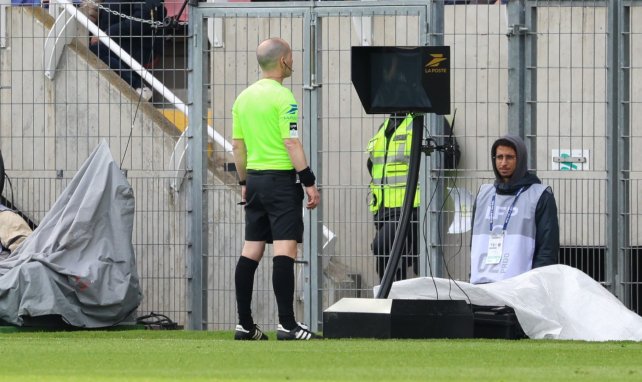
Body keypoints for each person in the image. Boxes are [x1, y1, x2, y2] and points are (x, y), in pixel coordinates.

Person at [231, 37, 321, 341]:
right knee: (285, 249)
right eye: (292, 56)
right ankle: (287, 324)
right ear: (283, 61)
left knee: (251, 249)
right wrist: (308, 181)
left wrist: (244, 182)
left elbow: (237, 146)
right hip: (281, 181)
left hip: (254, 180)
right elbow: (291, 142)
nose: (293, 62)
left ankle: (245, 325)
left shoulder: (242, 99)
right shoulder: (285, 99)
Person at [470, 135, 559, 284]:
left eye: (510, 157)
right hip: (482, 285)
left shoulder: (540, 195)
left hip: (519, 289)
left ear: (521, 160)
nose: (503, 163)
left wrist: (537, 285)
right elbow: (474, 243)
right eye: (499, 157)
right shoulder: (483, 194)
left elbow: (547, 249)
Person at [367, 113, 420, 282]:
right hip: (383, 210)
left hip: (410, 207)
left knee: (382, 247)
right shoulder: (384, 127)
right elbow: (374, 165)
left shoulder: (425, 121)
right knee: (388, 259)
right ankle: (393, 302)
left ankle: (391, 300)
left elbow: (450, 157)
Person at [89, 0, 165, 100]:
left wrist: (106, 34)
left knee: (95, 50)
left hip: (141, 46)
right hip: (116, 42)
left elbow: (141, 21)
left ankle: (138, 86)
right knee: (91, 48)